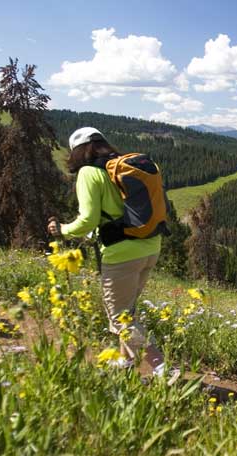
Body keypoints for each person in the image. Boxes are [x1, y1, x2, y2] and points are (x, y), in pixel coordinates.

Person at [47, 127, 174, 379]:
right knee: (128, 310)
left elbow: (87, 221)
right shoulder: (120, 169)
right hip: (150, 246)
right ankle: (125, 362)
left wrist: (61, 229)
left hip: (121, 255)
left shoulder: (89, 173)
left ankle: (163, 368)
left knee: (119, 318)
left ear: (78, 152)